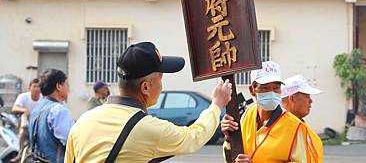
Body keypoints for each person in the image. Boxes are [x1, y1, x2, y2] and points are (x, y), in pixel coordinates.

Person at [65, 41, 232, 163]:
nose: (162, 85)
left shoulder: (83, 121)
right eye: (160, 79)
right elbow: (193, 137)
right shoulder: (148, 128)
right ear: (145, 87)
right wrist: (216, 104)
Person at [221, 61, 308, 163]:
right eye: (265, 88)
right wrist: (229, 137)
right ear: (252, 90)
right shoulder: (247, 115)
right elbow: (230, 159)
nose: (272, 93)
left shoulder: (295, 127)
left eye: (276, 88)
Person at [29, 69, 74, 163]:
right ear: (58, 86)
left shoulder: (38, 107)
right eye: (66, 85)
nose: (68, 89)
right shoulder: (59, 110)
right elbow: (72, 142)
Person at [281, 74, 323, 163]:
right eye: (306, 96)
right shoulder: (279, 128)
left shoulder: (302, 127)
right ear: (292, 98)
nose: (311, 101)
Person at [10, 78, 41, 163]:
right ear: (29, 88)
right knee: (23, 129)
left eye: (38, 87)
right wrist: (24, 110)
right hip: (26, 125)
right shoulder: (23, 96)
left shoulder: (43, 99)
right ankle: (20, 154)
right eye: (34, 86)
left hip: (39, 126)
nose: (36, 89)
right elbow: (14, 108)